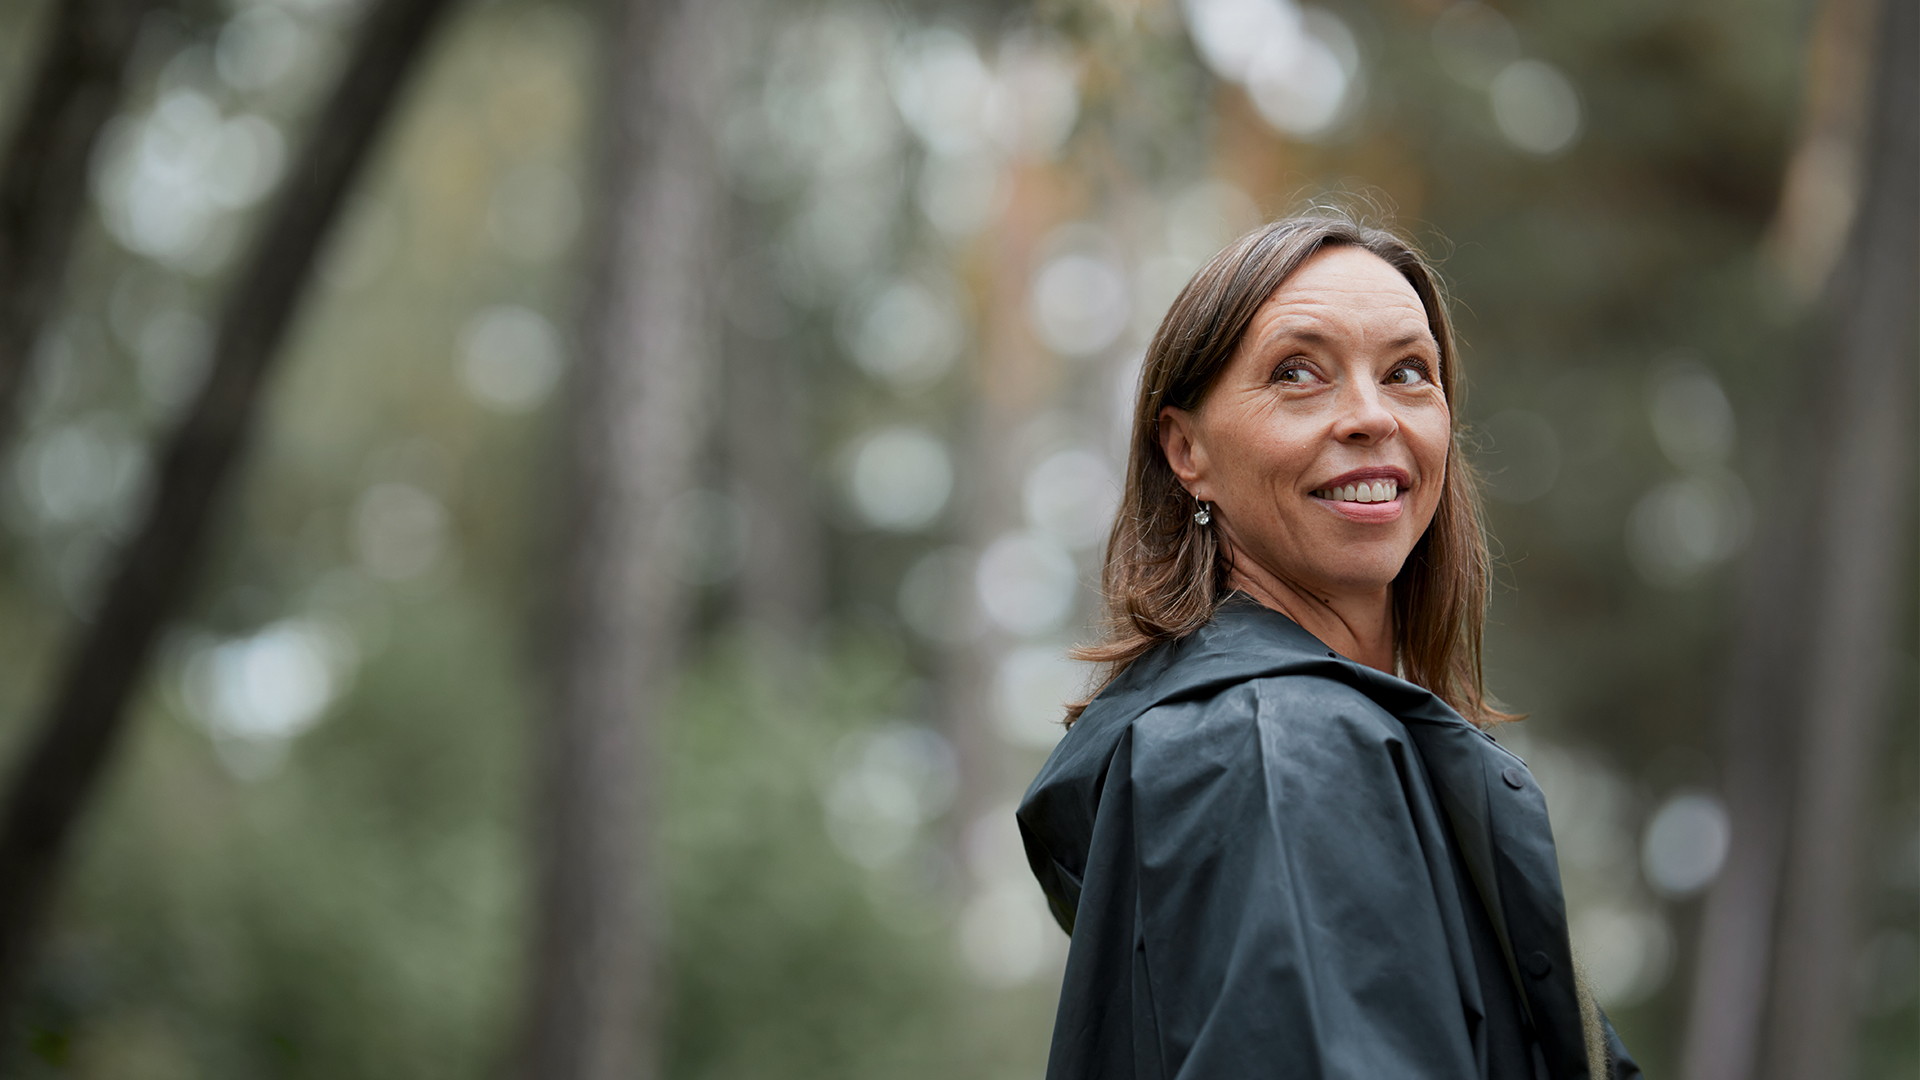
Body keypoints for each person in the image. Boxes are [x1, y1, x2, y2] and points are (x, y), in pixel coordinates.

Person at [1016, 210, 1643, 1079]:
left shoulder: (1270, 739)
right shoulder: (1279, 744)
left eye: (1408, 373)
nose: (1371, 416)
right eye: (1299, 373)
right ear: (1186, 449)